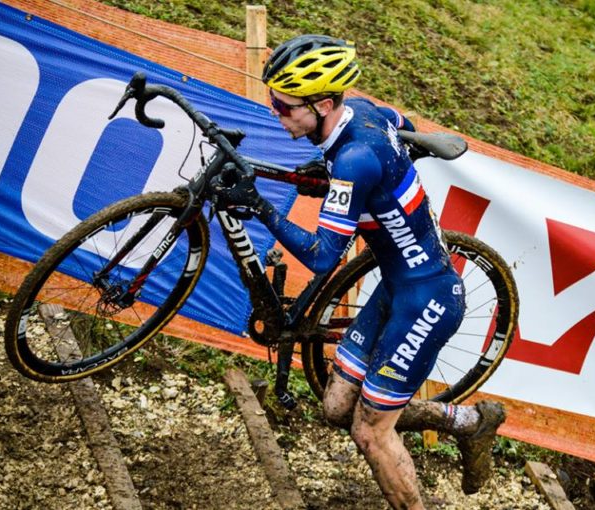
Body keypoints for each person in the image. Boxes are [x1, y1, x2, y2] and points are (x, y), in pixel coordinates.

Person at [213, 34, 506, 509]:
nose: (276, 113)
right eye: (274, 101)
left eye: (285, 107)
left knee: (370, 432)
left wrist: (261, 207)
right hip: (397, 286)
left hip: (428, 300)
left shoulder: (355, 159)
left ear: (324, 104)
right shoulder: (365, 113)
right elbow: (402, 125)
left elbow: (321, 257)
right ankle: (470, 423)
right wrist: (362, 179)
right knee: (337, 408)